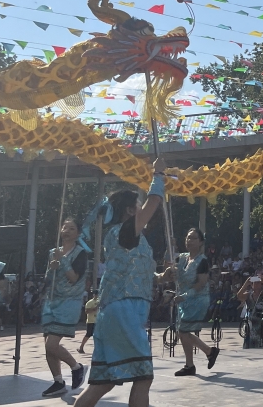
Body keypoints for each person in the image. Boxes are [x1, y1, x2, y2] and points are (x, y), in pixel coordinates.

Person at [74, 158, 167, 407]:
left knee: (103, 382)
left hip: (113, 312)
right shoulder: (127, 229)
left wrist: (160, 277)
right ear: (129, 210)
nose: (141, 207)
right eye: (137, 203)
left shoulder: (121, 237)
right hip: (124, 310)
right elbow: (155, 201)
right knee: (143, 375)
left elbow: (131, 270)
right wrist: (158, 174)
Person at [41, 218, 88, 397]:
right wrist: (52, 267)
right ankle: (58, 381)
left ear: (78, 234)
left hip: (69, 303)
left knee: (52, 344)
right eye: (65, 227)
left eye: (72, 228)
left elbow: (74, 278)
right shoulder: (53, 252)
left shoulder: (80, 253)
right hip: (51, 301)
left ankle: (76, 367)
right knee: (47, 346)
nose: (67, 230)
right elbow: (48, 277)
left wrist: (63, 262)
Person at [173, 228, 220, 376]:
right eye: (188, 237)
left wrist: (185, 295)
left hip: (197, 299)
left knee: (183, 331)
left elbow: (201, 283)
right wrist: (170, 247)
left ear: (200, 242)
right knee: (183, 332)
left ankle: (192, 363)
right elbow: (170, 267)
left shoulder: (203, 261)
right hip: (184, 299)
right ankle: (207, 353)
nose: (189, 241)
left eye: (193, 238)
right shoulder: (182, 258)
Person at [236, 274, 263, 349]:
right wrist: (245, 284)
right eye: (254, 283)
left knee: (261, 344)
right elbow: (239, 296)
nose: (256, 284)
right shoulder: (248, 295)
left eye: (258, 283)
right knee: (248, 343)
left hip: (260, 323)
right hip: (250, 324)